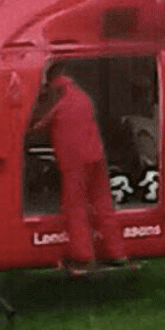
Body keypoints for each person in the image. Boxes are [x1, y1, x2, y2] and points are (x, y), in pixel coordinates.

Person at [32, 66, 127, 274]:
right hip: (97, 156)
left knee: (75, 207)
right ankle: (117, 252)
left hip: (75, 161)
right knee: (103, 203)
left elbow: (37, 126)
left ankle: (82, 256)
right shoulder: (82, 95)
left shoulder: (57, 100)